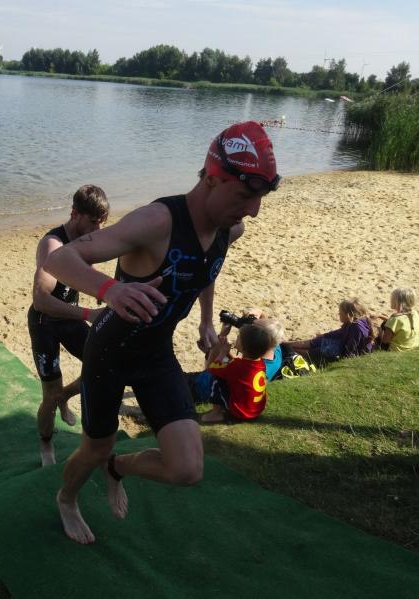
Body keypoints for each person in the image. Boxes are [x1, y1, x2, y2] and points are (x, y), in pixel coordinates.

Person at [43, 121, 280, 544]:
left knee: (187, 469)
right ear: (212, 179)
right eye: (245, 195)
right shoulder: (157, 221)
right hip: (110, 351)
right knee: (96, 446)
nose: (254, 210)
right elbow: (59, 260)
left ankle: (117, 468)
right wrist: (110, 289)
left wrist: (205, 319)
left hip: (156, 353)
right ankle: (67, 498)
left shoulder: (229, 228)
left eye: (259, 198)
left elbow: (208, 267)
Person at [29, 185, 110, 466]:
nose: (99, 229)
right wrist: (89, 313)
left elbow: (86, 271)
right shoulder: (53, 246)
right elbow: (41, 300)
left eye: (102, 222)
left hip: (70, 320)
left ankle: (64, 396)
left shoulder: (86, 238)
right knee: (49, 396)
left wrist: (108, 290)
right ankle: (46, 443)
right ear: (75, 214)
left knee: (104, 363)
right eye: (94, 222)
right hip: (46, 323)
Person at [186, 319, 283, 424]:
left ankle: (216, 413)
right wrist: (225, 352)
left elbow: (212, 369)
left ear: (244, 347)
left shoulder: (238, 367)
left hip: (240, 412)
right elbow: (234, 365)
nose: (236, 339)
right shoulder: (260, 363)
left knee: (217, 379)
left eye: (238, 338)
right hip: (255, 410)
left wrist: (221, 352)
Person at [282, 298, 376, 365]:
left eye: (340, 313)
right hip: (340, 345)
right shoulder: (354, 322)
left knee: (315, 351)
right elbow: (338, 333)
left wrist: (338, 362)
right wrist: (323, 336)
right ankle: (286, 344)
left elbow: (350, 352)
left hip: (341, 353)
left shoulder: (356, 328)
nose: (338, 314)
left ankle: (286, 347)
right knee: (317, 341)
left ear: (348, 315)